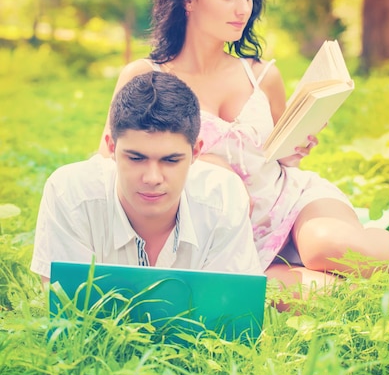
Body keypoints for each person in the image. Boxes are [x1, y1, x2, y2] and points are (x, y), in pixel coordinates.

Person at [99, 0, 389, 297]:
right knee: (286, 297)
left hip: (291, 204)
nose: (242, 9)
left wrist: (295, 146)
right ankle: (338, 281)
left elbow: (279, 156)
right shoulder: (145, 77)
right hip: (227, 235)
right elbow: (109, 163)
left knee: (326, 245)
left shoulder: (262, 74)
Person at [31, 71, 263, 283]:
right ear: (111, 147)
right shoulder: (69, 194)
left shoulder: (224, 198)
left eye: (171, 160)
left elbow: (231, 313)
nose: (152, 178)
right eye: (136, 158)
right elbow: (69, 310)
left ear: (195, 152)